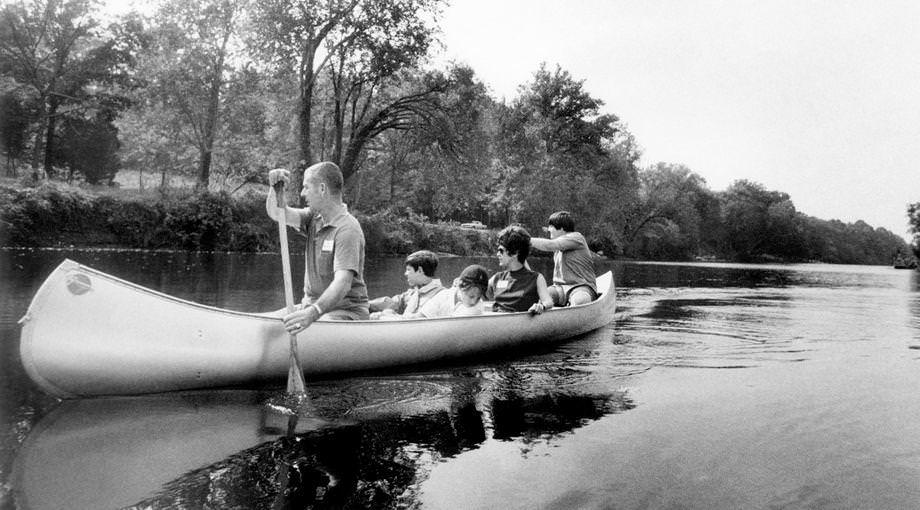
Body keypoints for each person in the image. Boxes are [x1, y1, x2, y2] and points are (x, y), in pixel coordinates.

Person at [266, 162, 369, 335]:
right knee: (266, 323)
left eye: (306, 187)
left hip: (345, 313)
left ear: (322, 189)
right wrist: (274, 187)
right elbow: (278, 213)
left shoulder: (347, 229)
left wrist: (313, 313)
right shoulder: (314, 218)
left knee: (304, 329)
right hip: (310, 308)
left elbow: (343, 283)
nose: (302, 193)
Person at [529, 211, 597, 306]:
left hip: (581, 286)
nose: (548, 230)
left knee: (580, 300)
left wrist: (525, 239)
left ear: (561, 228)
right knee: (538, 298)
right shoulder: (557, 243)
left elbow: (549, 245)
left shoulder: (576, 238)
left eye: (551, 226)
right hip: (559, 288)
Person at [487, 226, 554, 314]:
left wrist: (541, 306)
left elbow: (548, 302)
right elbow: (477, 292)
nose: (498, 254)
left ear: (515, 253)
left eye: (501, 250)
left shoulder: (536, 278)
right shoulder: (497, 277)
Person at [369, 250, 446, 320]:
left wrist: (386, 315)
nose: (405, 274)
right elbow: (390, 302)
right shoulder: (412, 293)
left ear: (420, 270)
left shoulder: (442, 295)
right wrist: (363, 305)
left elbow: (418, 319)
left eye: (408, 270)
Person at [418, 264, 490, 318]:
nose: (474, 302)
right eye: (471, 296)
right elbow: (421, 316)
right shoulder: (443, 295)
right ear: (460, 286)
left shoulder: (477, 307)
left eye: (478, 298)